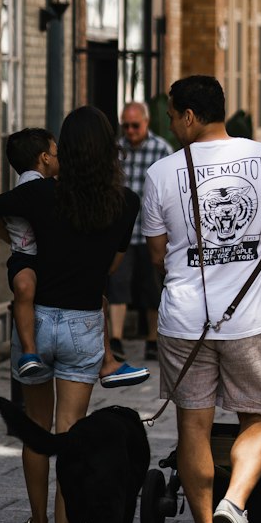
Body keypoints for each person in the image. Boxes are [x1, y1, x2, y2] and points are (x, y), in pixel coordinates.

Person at [143, 75, 261, 523]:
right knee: (259, 418)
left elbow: (156, 252)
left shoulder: (160, 173)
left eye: (172, 115)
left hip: (184, 322)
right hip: (251, 318)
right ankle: (235, 503)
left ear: (190, 117)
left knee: (193, 425)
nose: (170, 124)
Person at [0, 106, 144, 523]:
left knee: (35, 428)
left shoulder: (41, 196)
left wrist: (20, 247)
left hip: (38, 320)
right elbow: (110, 266)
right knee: (72, 436)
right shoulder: (124, 202)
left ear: (62, 149)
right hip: (85, 323)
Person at [112, 100, 173, 362]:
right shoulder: (115, 150)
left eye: (135, 125)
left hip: (152, 232)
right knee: (117, 286)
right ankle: (115, 340)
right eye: (125, 125)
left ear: (146, 123)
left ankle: (152, 340)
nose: (130, 130)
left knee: (152, 289)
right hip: (122, 231)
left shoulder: (162, 150)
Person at [0, 127, 58, 381]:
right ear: (44, 157)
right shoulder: (31, 190)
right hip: (26, 258)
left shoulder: (45, 187)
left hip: (45, 255)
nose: (59, 158)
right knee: (24, 287)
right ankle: (29, 351)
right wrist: (9, 237)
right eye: (55, 153)